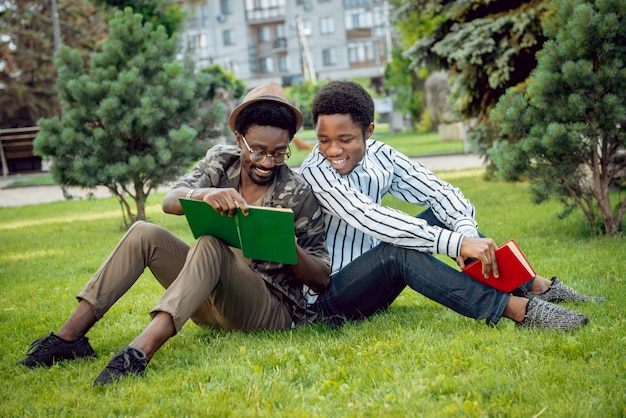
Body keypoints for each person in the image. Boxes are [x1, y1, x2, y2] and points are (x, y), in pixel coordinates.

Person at [15, 83, 331, 385]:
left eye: (279, 153)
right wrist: (202, 195)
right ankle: (67, 338)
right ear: (239, 140)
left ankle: (138, 352)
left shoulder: (297, 193)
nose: (268, 162)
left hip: (266, 308)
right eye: (259, 150)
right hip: (208, 301)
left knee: (209, 244)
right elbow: (170, 200)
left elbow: (321, 277)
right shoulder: (221, 161)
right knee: (143, 232)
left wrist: (290, 249)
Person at [299, 80, 604, 331]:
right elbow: (371, 218)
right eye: (323, 139)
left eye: (345, 139)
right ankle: (518, 310)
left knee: (443, 218)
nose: (333, 150)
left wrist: (465, 234)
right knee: (398, 251)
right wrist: (455, 243)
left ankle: (533, 285)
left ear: (369, 131)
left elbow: (440, 193)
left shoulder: (381, 155)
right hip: (331, 299)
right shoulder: (316, 171)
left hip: (376, 283)